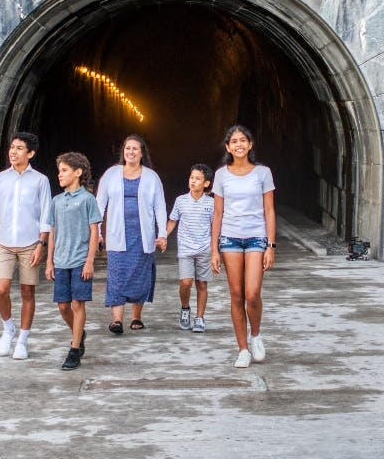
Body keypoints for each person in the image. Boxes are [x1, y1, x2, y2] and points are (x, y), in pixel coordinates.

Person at [0, 132, 51, 361]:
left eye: (20, 148)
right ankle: (8, 327)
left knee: (27, 291)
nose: (13, 152)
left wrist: (41, 244)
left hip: (30, 243)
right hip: (4, 243)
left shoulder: (40, 180)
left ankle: (22, 339)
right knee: (1, 290)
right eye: (12, 147)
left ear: (30, 153)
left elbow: (45, 215)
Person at [210, 124, 276, 369]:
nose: (238, 144)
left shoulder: (262, 173)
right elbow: (217, 213)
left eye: (243, 140)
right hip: (230, 238)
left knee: (252, 293)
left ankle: (256, 335)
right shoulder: (221, 175)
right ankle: (243, 349)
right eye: (234, 141)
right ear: (228, 147)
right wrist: (214, 248)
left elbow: (269, 210)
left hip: (256, 236)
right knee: (236, 295)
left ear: (250, 145)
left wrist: (271, 245)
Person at [96, 133, 168, 333]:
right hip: (116, 234)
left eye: (135, 148)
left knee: (140, 275)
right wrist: (97, 233)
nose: (131, 152)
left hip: (142, 235)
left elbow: (159, 207)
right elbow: (99, 204)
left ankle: (136, 316)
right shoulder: (111, 174)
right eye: (128, 148)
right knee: (117, 275)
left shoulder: (151, 177)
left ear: (142, 153)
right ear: (123, 152)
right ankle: (116, 320)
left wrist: (162, 233)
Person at [45, 151, 102, 371]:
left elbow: (94, 231)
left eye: (65, 170)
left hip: (79, 260)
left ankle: (74, 349)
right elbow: (52, 232)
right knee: (62, 305)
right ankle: (80, 332)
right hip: (61, 260)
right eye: (59, 171)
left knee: (78, 303)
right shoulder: (56, 201)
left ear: (78, 173)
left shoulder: (88, 199)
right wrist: (49, 262)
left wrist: (90, 261)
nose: (60, 175)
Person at [165, 164, 215, 332]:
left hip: (204, 249)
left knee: (202, 284)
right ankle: (185, 309)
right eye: (192, 178)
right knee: (186, 282)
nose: (193, 181)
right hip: (186, 249)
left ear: (206, 183)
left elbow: (215, 227)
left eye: (198, 179)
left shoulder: (211, 203)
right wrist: (163, 236)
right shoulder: (181, 200)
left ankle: (199, 318)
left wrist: (216, 250)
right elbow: (173, 220)